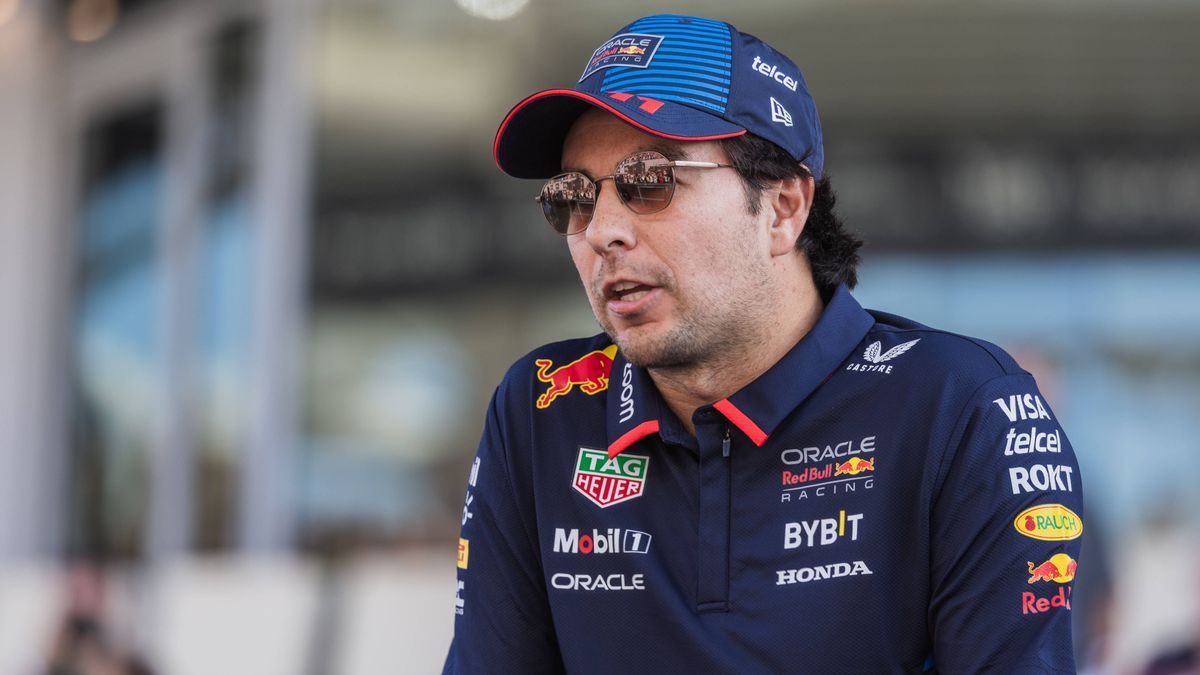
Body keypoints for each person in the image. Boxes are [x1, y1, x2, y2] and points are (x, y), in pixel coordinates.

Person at [445, 13, 1083, 674]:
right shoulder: (544, 405)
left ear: (782, 208)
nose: (602, 229)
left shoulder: (961, 408)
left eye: (650, 181)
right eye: (574, 197)